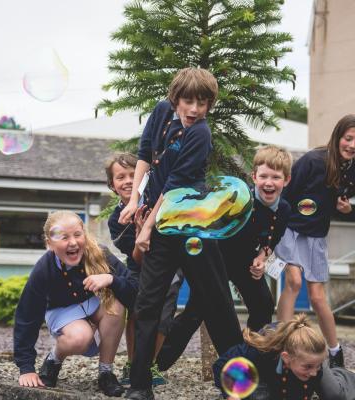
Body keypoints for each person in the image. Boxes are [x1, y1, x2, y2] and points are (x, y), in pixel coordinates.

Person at [119, 67, 242, 400]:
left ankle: (242, 384)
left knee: (217, 300)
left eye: (202, 102)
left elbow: (174, 186)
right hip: (161, 226)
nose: (194, 109)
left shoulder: (200, 133)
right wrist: (134, 201)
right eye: (188, 101)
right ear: (175, 99)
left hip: (192, 224)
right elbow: (145, 156)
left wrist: (145, 228)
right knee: (147, 303)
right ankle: (140, 385)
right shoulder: (161, 111)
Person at [156, 145, 293, 371]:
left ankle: (253, 357)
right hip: (216, 260)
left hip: (245, 262)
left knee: (263, 304)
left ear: (286, 180)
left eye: (276, 177)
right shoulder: (240, 198)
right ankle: (158, 363)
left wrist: (262, 258)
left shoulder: (285, 209)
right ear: (254, 177)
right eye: (264, 176)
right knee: (194, 313)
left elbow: (272, 239)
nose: (269, 182)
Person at [13, 210, 138, 397]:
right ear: (49, 243)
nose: (72, 242)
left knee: (116, 305)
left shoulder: (99, 253)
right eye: (64, 237)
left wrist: (111, 279)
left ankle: (106, 372)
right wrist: (26, 367)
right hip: (61, 311)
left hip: (92, 304)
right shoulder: (44, 268)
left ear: (84, 235)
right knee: (80, 338)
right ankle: (53, 360)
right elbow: (27, 316)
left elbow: (135, 291)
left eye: (77, 235)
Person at [276, 114, 355, 368]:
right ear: (338, 136)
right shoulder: (312, 160)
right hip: (291, 231)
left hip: (317, 236)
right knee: (294, 281)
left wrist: (345, 210)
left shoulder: (352, 170)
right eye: (349, 138)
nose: (352, 145)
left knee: (318, 297)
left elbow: (343, 204)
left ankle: (335, 353)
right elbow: (286, 196)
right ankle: (283, 346)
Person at [105, 152, 184, 386]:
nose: (128, 180)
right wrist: (140, 232)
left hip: (169, 268)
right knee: (139, 310)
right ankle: (133, 362)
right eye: (120, 177)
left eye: (133, 175)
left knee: (164, 317)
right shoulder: (116, 219)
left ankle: (151, 364)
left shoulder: (158, 203)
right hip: (139, 270)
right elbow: (138, 260)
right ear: (112, 185)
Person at [213, 314, 355, 400]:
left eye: (318, 365)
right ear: (286, 358)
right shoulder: (259, 351)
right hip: (273, 365)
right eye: (309, 367)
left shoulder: (313, 367)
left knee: (335, 395)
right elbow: (220, 365)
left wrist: (314, 366)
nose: (313, 373)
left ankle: (340, 372)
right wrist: (232, 394)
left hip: (306, 358)